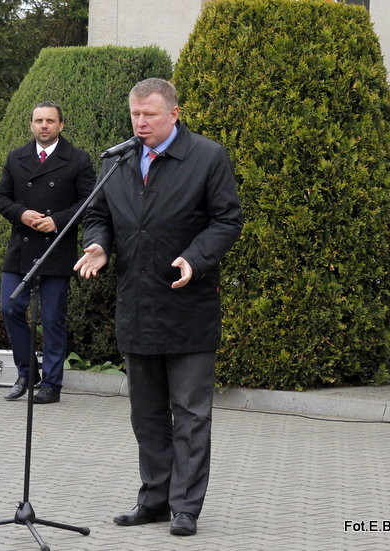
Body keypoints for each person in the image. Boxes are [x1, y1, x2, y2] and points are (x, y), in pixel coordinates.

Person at [74, 78, 243, 536]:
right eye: (135, 114)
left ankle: (186, 506)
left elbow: (228, 219)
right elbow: (98, 215)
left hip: (189, 306)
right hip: (137, 305)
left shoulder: (208, 157)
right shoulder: (119, 160)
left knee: (190, 413)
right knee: (145, 414)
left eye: (149, 114)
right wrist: (99, 246)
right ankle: (154, 499)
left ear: (174, 113)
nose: (141, 123)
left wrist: (195, 256)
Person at [0, 101, 96, 404]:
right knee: (9, 307)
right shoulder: (16, 158)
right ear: (31, 125)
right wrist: (22, 214)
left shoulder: (78, 160)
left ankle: (52, 384)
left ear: (61, 125)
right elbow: (1, 198)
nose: (44, 126)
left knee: (52, 319)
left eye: (50, 121)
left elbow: (90, 201)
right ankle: (27, 373)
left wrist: (57, 220)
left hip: (56, 247)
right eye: (38, 120)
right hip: (21, 248)